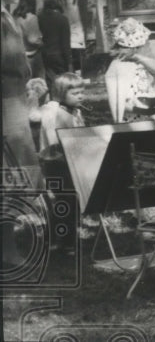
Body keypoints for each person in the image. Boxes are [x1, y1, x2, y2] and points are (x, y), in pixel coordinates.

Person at [2, 0, 42, 269]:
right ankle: (7, 250)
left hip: (13, 103)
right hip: (4, 108)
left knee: (11, 178)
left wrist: (27, 83)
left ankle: (8, 246)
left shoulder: (8, 17)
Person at [37, 72, 86, 254]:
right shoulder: (56, 113)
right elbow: (57, 142)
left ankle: (64, 240)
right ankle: (62, 242)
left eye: (82, 91)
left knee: (70, 201)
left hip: (69, 161)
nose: (80, 96)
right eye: (75, 93)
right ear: (60, 93)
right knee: (63, 201)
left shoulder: (74, 111)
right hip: (56, 163)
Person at [104, 18, 155, 125]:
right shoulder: (118, 66)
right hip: (134, 119)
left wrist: (138, 57)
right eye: (141, 47)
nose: (145, 48)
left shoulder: (138, 62)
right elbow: (121, 101)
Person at [37, 0, 72, 86]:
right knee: (63, 84)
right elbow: (65, 43)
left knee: (50, 84)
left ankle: (53, 100)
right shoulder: (62, 19)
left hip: (45, 55)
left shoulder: (39, 17)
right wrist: (69, 62)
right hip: (59, 56)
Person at [12, 0, 44, 80]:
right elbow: (33, 39)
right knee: (37, 83)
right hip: (32, 56)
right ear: (32, 4)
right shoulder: (32, 18)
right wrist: (42, 42)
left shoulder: (14, 16)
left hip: (19, 54)